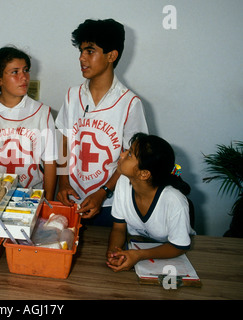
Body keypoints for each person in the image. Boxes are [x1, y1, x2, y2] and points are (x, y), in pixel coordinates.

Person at [55, 18, 148, 225]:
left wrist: (103, 192)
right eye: (80, 51)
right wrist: (63, 182)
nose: (81, 58)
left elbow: (132, 158)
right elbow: (63, 142)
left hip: (110, 204)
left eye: (90, 51)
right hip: (71, 196)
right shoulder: (72, 95)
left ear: (111, 56)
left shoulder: (130, 103)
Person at [0, 46, 57, 200]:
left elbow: (50, 163)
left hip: (29, 196)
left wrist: (48, 201)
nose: (24, 77)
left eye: (26, 70)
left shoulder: (42, 112)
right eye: (15, 72)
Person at [106, 133, 195, 272]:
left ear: (144, 174)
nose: (122, 155)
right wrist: (114, 253)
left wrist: (140, 255)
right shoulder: (123, 181)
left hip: (171, 257)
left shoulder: (174, 201)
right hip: (136, 248)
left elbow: (179, 246)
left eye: (130, 155)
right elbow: (118, 228)